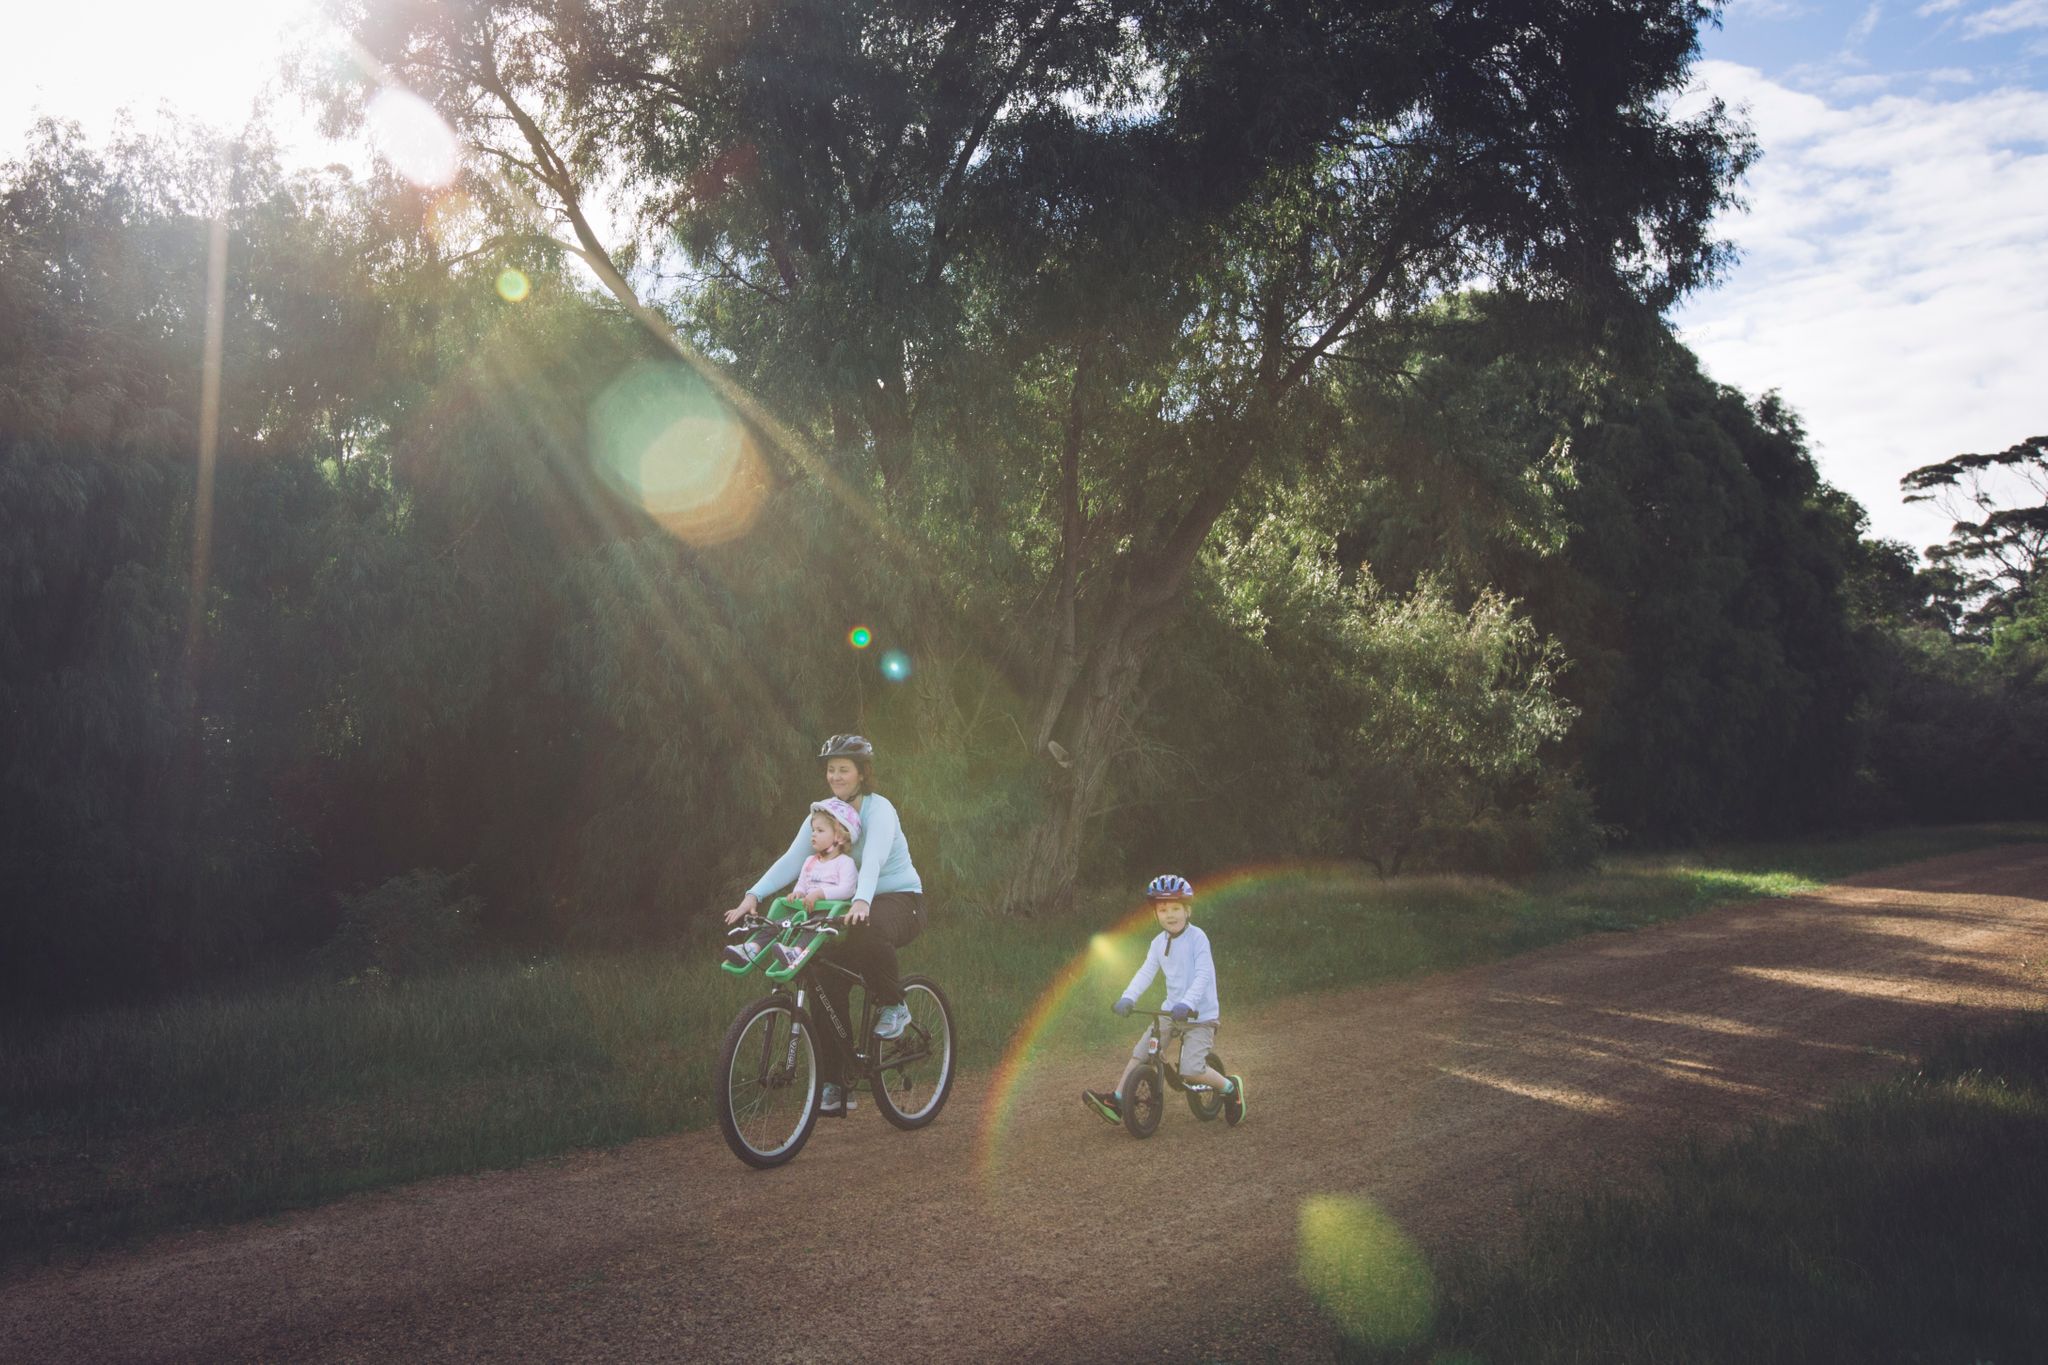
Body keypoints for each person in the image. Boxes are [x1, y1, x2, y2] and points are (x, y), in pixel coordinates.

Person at [725, 734, 925, 1116]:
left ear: (862, 774)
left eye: (844, 769)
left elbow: (874, 862)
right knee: (822, 973)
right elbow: (791, 859)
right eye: (831, 769)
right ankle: (838, 1081)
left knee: (870, 931)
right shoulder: (824, 815)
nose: (836, 776)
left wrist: (864, 900)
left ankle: (895, 1005)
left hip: (900, 900)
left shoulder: (880, 810)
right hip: (849, 903)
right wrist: (753, 895)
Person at [1083, 874, 1246, 1127]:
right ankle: (1116, 1101)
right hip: (1170, 1012)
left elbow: (1203, 975)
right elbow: (1146, 972)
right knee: (1141, 1052)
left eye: (1175, 908)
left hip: (1199, 1016)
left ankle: (1229, 1088)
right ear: (1156, 913)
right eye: (1163, 909)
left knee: (1191, 1070)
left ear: (1187, 910)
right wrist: (1128, 997)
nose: (1169, 914)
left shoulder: (1198, 938)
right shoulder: (1158, 943)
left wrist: (1189, 1003)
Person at [721, 797, 861, 970]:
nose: (813, 834)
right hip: (805, 911)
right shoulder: (810, 861)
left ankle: (796, 951)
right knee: (778, 923)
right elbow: (803, 883)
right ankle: (751, 949)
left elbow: (848, 889)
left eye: (820, 830)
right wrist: (798, 893)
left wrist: (819, 893)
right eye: (813, 830)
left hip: (826, 914)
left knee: (813, 927)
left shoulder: (845, 863)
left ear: (839, 837)